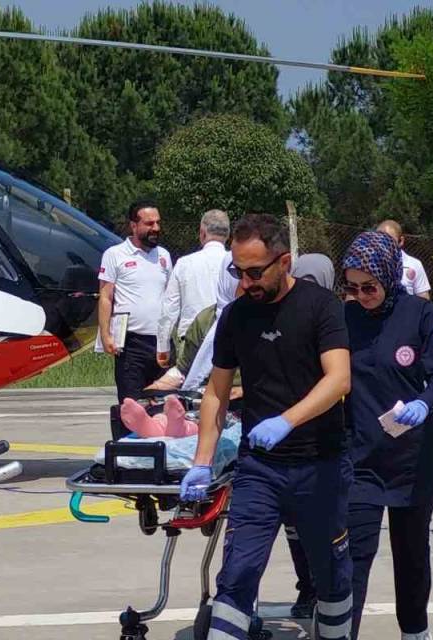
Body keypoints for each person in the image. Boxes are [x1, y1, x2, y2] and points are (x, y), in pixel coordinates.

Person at [181, 214, 354, 640]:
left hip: (321, 463)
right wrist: (202, 461)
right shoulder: (237, 317)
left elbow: (339, 379)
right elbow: (217, 393)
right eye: (238, 272)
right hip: (261, 470)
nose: (246, 282)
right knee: (237, 574)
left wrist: (286, 420)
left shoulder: (321, 308)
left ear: (285, 262)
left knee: (331, 576)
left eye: (256, 272)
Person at [341, 232, 433, 640]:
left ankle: (414, 631)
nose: (361, 295)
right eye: (352, 287)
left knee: (411, 556)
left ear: (390, 277)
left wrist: (424, 404)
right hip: (362, 461)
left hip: (414, 459)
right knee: (353, 557)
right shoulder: (345, 318)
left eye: (369, 286)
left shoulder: (420, 315)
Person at [283, 252, 338, 619]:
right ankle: (308, 588)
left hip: (324, 437)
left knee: (323, 528)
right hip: (286, 436)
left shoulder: (333, 316)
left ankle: (325, 589)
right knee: (293, 526)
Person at [97, 200, 171, 418]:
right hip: (131, 343)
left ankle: (161, 448)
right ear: (133, 225)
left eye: (158, 223)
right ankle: (128, 449)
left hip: (161, 342)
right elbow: (105, 297)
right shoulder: (115, 254)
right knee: (132, 405)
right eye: (149, 223)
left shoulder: (164, 256)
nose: (155, 228)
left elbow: (169, 296)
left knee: (164, 404)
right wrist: (105, 335)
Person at [157, 208, 230, 367]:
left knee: (191, 390)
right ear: (228, 235)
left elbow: (169, 308)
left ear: (202, 233)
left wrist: (163, 347)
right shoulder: (235, 263)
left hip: (191, 341)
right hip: (228, 340)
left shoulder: (184, 263)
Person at [377, 220, 430, 299]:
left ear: (401, 241)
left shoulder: (414, 264)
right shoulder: (367, 263)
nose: (384, 244)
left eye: (390, 240)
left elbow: (423, 298)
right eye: (380, 240)